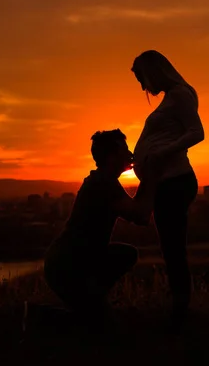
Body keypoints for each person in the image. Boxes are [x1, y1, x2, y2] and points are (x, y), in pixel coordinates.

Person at [43, 129, 159, 329]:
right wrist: (151, 178)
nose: (131, 154)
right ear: (112, 156)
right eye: (125, 149)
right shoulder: (103, 184)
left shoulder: (103, 181)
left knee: (125, 254)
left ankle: (92, 301)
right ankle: (47, 318)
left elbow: (136, 211)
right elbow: (141, 216)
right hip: (67, 266)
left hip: (70, 261)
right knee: (99, 326)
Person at [131, 50, 205, 328]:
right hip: (165, 182)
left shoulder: (180, 95)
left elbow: (197, 132)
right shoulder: (171, 99)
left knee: (173, 249)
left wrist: (161, 153)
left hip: (175, 181)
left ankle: (180, 313)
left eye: (142, 78)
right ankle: (179, 308)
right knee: (170, 248)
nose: (142, 87)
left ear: (153, 71)